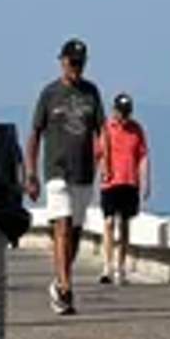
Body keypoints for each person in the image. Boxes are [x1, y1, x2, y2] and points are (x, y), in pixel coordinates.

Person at [29, 38, 107, 316]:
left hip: (84, 172)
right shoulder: (49, 94)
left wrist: (105, 162)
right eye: (73, 63)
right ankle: (65, 286)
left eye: (81, 63)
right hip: (56, 170)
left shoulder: (92, 93)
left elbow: (102, 131)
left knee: (74, 232)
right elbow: (35, 133)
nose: (76, 68)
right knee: (61, 226)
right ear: (62, 62)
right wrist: (30, 173)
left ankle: (60, 279)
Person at [96, 92, 151, 288]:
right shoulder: (106, 129)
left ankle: (121, 267)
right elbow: (98, 154)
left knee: (125, 225)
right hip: (111, 183)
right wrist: (99, 173)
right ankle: (107, 267)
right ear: (115, 110)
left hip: (130, 182)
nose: (124, 116)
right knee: (109, 222)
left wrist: (146, 182)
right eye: (122, 112)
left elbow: (143, 156)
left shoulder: (137, 130)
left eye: (127, 112)